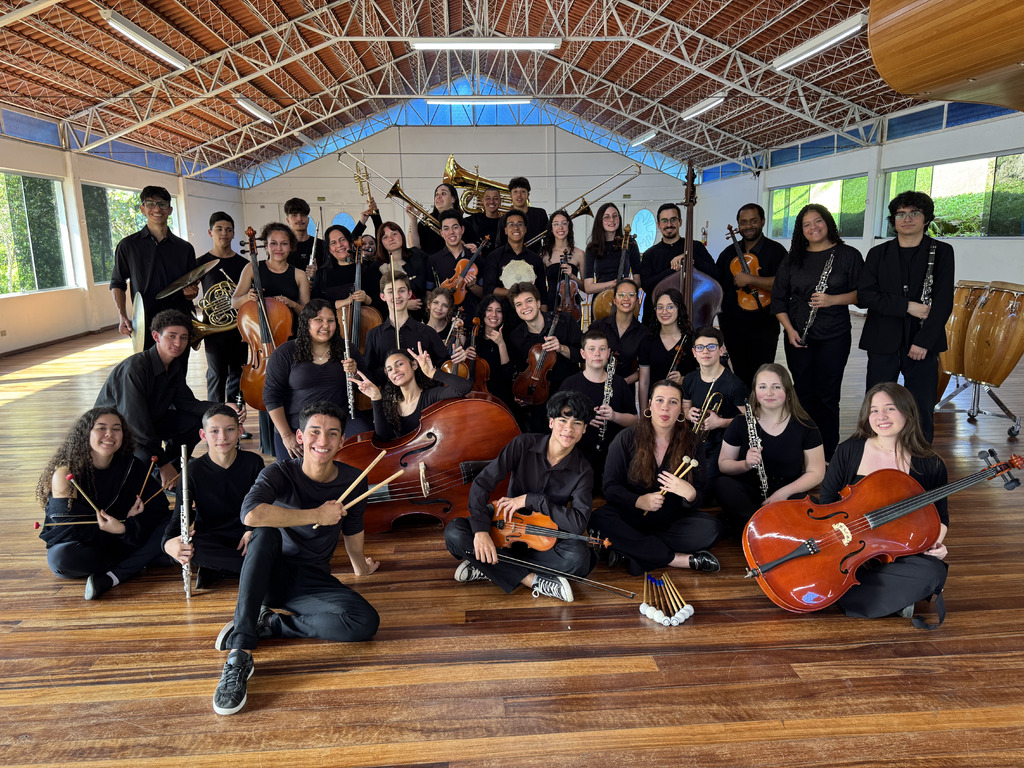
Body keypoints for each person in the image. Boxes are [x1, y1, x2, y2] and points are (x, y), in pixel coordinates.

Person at [211, 401, 380, 716]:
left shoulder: (354, 478)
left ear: (342, 440)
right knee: (263, 533)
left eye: (332, 434)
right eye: (315, 432)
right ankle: (240, 651)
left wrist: (361, 567)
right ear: (300, 437)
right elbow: (250, 513)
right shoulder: (279, 472)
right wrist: (318, 514)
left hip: (311, 578)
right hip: (268, 574)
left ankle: (272, 624)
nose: (323, 441)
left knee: (365, 622)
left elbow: (354, 529)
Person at [442, 390, 594, 603]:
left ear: (584, 429)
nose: (568, 429)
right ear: (551, 422)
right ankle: (534, 580)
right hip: (504, 527)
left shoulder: (583, 470)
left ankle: (487, 565)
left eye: (577, 423)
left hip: (543, 537)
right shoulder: (522, 445)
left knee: (579, 558)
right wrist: (481, 532)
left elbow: (578, 523)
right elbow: (482, 483)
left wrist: (532, 500)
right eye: (562, 420)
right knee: (455, 532)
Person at [821, 382, 949, 622]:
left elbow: (940, 517)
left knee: (933, 572)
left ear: (906, 411)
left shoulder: (930, 463)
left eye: (890, 409)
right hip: (848, 545)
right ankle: (893, 596)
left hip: (898, 548)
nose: (881, 417)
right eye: (874, 410)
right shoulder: (849, 450)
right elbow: (826, 501)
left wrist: (935, 544)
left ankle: (838, 592)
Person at [94, 309, 243, 486]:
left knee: (194, 422)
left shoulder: (174, 365)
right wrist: (162, 463)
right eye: (171, 336)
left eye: (183, 338)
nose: (178, 343)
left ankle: (174, 468)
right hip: (122, 431)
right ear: (156, 336)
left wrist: (223, 407)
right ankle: (163, 473)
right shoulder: (135, 368)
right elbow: (135, 424)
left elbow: (186, 403)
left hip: (150, 421)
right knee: (142, 462)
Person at [36, 407, 171, 600]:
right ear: (86, 433)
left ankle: (116, 575)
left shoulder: (133, 465)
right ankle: (144, 558)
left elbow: (160, 509)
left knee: (170, 523)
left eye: (116, 428)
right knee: (61, 559)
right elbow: (68, 529)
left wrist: (125, 528)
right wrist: (122, 527)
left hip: (127, 538)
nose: (109, 434)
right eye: (101, 428)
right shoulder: (65, 474)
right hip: (94, 547)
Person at [591, 380, 722, 575]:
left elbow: (700, 495)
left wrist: (690, 494)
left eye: (673, 402)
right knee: (599, 518)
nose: (665, 407)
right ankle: (675, 559)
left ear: (681, 410)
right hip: (630, 517)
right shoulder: (626, 437)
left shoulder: (693, 442)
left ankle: (630, 551)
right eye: (659, 400)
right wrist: (638, 501)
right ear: (650, 405)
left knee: (712, 528)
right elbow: (610, 487)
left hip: (670, 520)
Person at [857, 191, 955, 442]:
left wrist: (924, 340)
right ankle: (875, 453)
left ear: (926, 218)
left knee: (921, 405)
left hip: (921, 340)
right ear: (894, 220)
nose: (907, 218)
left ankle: (920, 459)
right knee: (877, 402)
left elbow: (943, 302)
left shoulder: (942, 251)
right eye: (900, 214)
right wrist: (907, 306)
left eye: (914, 213)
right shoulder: (878, 254)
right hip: (882, 339)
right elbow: (866, 296)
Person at [771, 204, 862, 460]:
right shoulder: (793, 258)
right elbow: (778, 299)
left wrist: (833, 300)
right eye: (806, 224)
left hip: (834, 336)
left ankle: (828, 451)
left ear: (828, 222)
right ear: (801, 231)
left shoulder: (847, 255)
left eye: (818, 221)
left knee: (828, 396)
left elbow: (863, 295)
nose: (813, 227)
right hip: (798, 337)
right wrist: (789, 330)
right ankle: (804, 448)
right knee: (803, 394)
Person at [715, 364, 826, 537]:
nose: (769, 393)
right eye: (762, 387)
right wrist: (745, 464)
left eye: (776, 387)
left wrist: (783, 493)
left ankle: (752, 530)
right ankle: (766, 530)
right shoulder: (740, 423)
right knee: (723, 485)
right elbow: (723, 465)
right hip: (748, 494)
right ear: (754, 391)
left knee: (810, 504)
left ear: (788, 391)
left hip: (787, 492)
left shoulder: (806, 425)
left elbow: (817, 472)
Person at [162, 405, 264, 589]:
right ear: (203, 435)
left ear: (240, 431)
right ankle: (259, 570)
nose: (222, 437)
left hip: (246, 535)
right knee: (191, 546)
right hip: (211, 538)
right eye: (214, 431)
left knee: (269, 536)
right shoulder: (192, 471)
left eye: (230, 430)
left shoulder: (253, 462)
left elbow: (261, 506)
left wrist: (251, 529)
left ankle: (220, 568)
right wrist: (167, 544)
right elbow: (177, 520)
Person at [264, 299, 369, 460]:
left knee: (365, 446)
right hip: (297, 424)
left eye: (330, 321)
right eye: (319, 320)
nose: (326, 326)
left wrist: (354, 373)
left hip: (339, 420)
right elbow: (271, 397)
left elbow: (365, 385)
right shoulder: (285, 352)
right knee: (292, 475)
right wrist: (286, 435)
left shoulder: (347, 349)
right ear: (306, 323)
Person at [109, 185, 197, 348]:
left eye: (162, 204)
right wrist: (122, 316)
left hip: (179, 322)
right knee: (147, 371)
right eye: (150, 204)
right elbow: (117, 283)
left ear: (170, 210)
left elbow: (191, 290)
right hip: (144, 323)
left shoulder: (185, 248)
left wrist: (192, 294)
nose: (157, 208)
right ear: (143, 209)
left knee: (178, 372)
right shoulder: (128, 245)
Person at [714, 203, 788, 387]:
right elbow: (716, 284)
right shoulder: (728, 253)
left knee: (762, 375)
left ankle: (760, 412)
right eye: (743, 222)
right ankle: (744, 413)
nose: (748, 226)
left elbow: (784, 284)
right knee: (739, 374)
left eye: (753, 221)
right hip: (733, 326)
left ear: (763, 221)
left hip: (764, 325)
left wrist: (751, 279)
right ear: (738, 226)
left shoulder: (776, 251)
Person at [558, 327, 637, 486]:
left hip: (613, 457)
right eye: (592, 349)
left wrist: (615, 416)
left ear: (608, 353)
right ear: (583, 354)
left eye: (602, 349)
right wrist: (582, 418)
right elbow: (557, 417)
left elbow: (634, 420)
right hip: (577, 456)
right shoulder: (570, 383)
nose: (597, 354)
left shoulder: (619, 383)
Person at [352, 346, 472, 440]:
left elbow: (465, 387)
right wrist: (376, 399)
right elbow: (384, 438)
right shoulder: (389, 403)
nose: (395, 371)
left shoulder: (431, 396)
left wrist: (433, 372)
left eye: (399, 364)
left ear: (414, 365)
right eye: (389, 369)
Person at [508, 282, 582, 431]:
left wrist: (561, 348)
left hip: (569, 390)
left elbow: (582, 354)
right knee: (538, 431)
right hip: (540, 396)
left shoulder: (565, 321)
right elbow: (520, 371)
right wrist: (522, 394)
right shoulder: (516, 336)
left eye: (529, 301)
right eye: (519, 304)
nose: (525, 307)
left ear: (538, 302)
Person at [681, 327, 748, 486]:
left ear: (721, 350)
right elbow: (684, 407)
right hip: (695, 441)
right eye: (700, 347)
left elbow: (753, 420)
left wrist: (720, 422)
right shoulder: (690, 379)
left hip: (724, 446)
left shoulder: (735, 385)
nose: (705, 351)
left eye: (711, 347)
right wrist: (689, 413)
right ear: (694, 352)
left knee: (699, 483)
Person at [196, 212, 250, 404]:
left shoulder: (244, 265)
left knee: (238, 374)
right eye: (219, 229)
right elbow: (190, 291)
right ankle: (214, 417)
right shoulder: (201, 263)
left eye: (228, 230)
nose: (224, 234)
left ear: (234, 234)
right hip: (212, 329)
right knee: (216, 375)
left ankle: (237, 420)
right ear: (210, 232)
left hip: (238, 328)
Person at [363, 270, 451, 385]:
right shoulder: (373, 335)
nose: (397, 296)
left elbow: (446, 368)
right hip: (390, 400)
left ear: (409, 294)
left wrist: (457, 361)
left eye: (402, 291)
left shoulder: (427, 332)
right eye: (391, 292)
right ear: (382, 296)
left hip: (425, 399)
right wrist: (389, 371)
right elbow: (370, 376)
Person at [638, 203, 716, 325]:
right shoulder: (650, 254)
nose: (669, 224)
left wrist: (689, 256)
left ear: (680, 222)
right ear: (658, 225)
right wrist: (673, 270)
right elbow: (647, 286)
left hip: (693, 313)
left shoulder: (695, 247)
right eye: (664, 221)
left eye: (673, 219)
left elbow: (715, 274)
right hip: (658, 320)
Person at [230, 221, 309, 322]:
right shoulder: (252, 268)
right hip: (258, 331)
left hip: (290, 333)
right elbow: (234, 302)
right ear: (266, 246)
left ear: (290, 246)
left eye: (284, 244)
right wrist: (247, 297)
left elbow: (307, 314)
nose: (279, 248)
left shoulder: (299, 275)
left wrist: (292, 304)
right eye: (273, 243)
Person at [589, 278, 651, 391]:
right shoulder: (598, 327)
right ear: (614, 300)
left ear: (637, 300)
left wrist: (622, 382)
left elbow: (643, 370)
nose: (626, 298)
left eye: (631, 295)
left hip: (625, 389)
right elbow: (587, 361)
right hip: (596, 386)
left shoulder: (644, 333)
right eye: (621, 295)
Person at [637, 287, 695, 409]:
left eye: (670, 307)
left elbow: (703, 376)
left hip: (685, 405)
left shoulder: (691, 340)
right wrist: (643, 413)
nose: (664, 312)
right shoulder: (647, 341)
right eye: (660, 307)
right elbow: (644, 382)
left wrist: (684, 379)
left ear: (679, 309)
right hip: (656, 405)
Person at [482, 210, 546, 310]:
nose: (516, 228)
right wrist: (514, 292)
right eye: (511, 224)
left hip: (529, 314)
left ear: (525, 229)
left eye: (520, 224)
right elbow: (488, 289)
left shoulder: (535, 259)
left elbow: (542, 294)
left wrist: (544, 322)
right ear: (506, 230)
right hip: (502, 314)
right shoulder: (494, 256)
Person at [311, 224, 374, 317]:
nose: (339, 245)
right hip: (330, 327)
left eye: (342, 240)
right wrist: (345, 302)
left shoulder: (365, 270)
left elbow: (380, 302)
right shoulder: (322, 274)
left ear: (351, 242)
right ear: (329, 250)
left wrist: (366, 299)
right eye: (333, 243)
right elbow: (314, 306)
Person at [427, 210, 483, 316]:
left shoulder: (476, 259)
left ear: (462, 230)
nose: (451, 232)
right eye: (446, 228)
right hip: (442, 317)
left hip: (471, 316)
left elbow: (484, 294)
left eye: (455, 227)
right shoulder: (433, 260)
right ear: (441, 233)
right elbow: (429, 291)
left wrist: (472, 286)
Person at [468, 294, 516, 412]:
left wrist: (501, 344)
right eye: (489, 310)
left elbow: (508, 375)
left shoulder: (510, 339)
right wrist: (465, 357)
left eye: (498, 311)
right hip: (476, 396)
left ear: (503, 315)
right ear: (483, 313)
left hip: (501, 397)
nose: (494, 315)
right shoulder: (473, 338)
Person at [583, 203, 641, 296]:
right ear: (600, 221)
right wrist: (612, 284)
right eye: (607, 217)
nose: (612, 220)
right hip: (600, 301)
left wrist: (628, 284)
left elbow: (638, 280)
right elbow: (588, 287)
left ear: (619, 218)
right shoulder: (592, 248)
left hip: (624, 298)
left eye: (615, 216)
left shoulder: (630, 244)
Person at [538, 209, 586, 319]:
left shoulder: (579, 254)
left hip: (572, 306)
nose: (561, 228)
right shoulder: (544, 255)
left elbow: (586, 287)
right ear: (551, 228)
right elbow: (540, 286)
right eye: (556, 224)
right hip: (550, 304)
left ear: (569, 226)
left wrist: (572, 276)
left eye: (564, 223)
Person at [376, 220, 427, 318]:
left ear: (402, 236)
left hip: (426, 316)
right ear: (381, 243)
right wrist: (404, 304)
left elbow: (430, 278)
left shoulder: (417, 255)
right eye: (385, 237)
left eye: (394, 234)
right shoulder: (378, 267)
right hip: (398, 319)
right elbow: (378, 300)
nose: (391, 239)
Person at [408, 182, 468, 255]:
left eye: (443, 193)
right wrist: (413, 219)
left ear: (453, 199)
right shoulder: (427, 220)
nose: (439, 197)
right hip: (432, 265)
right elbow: (414, 247)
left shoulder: (464, 223)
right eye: (436, 194)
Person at [496, 176, 548, 246]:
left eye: (523, 191)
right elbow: (500, 245)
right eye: (515, 192)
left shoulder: (540, 214)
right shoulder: (504, 219)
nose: (519, 195)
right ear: (510, 195)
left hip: (536, 256)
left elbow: (549, 239)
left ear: (528, 195)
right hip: (512, 257)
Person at [283, 197, 327, 280]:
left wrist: (317, 276)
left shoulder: (322, 245)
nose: (299, 219)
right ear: (288, 220)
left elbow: (330, 275)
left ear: (308, 219)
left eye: (303, 215)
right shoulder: (282, 247)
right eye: (294, 215)